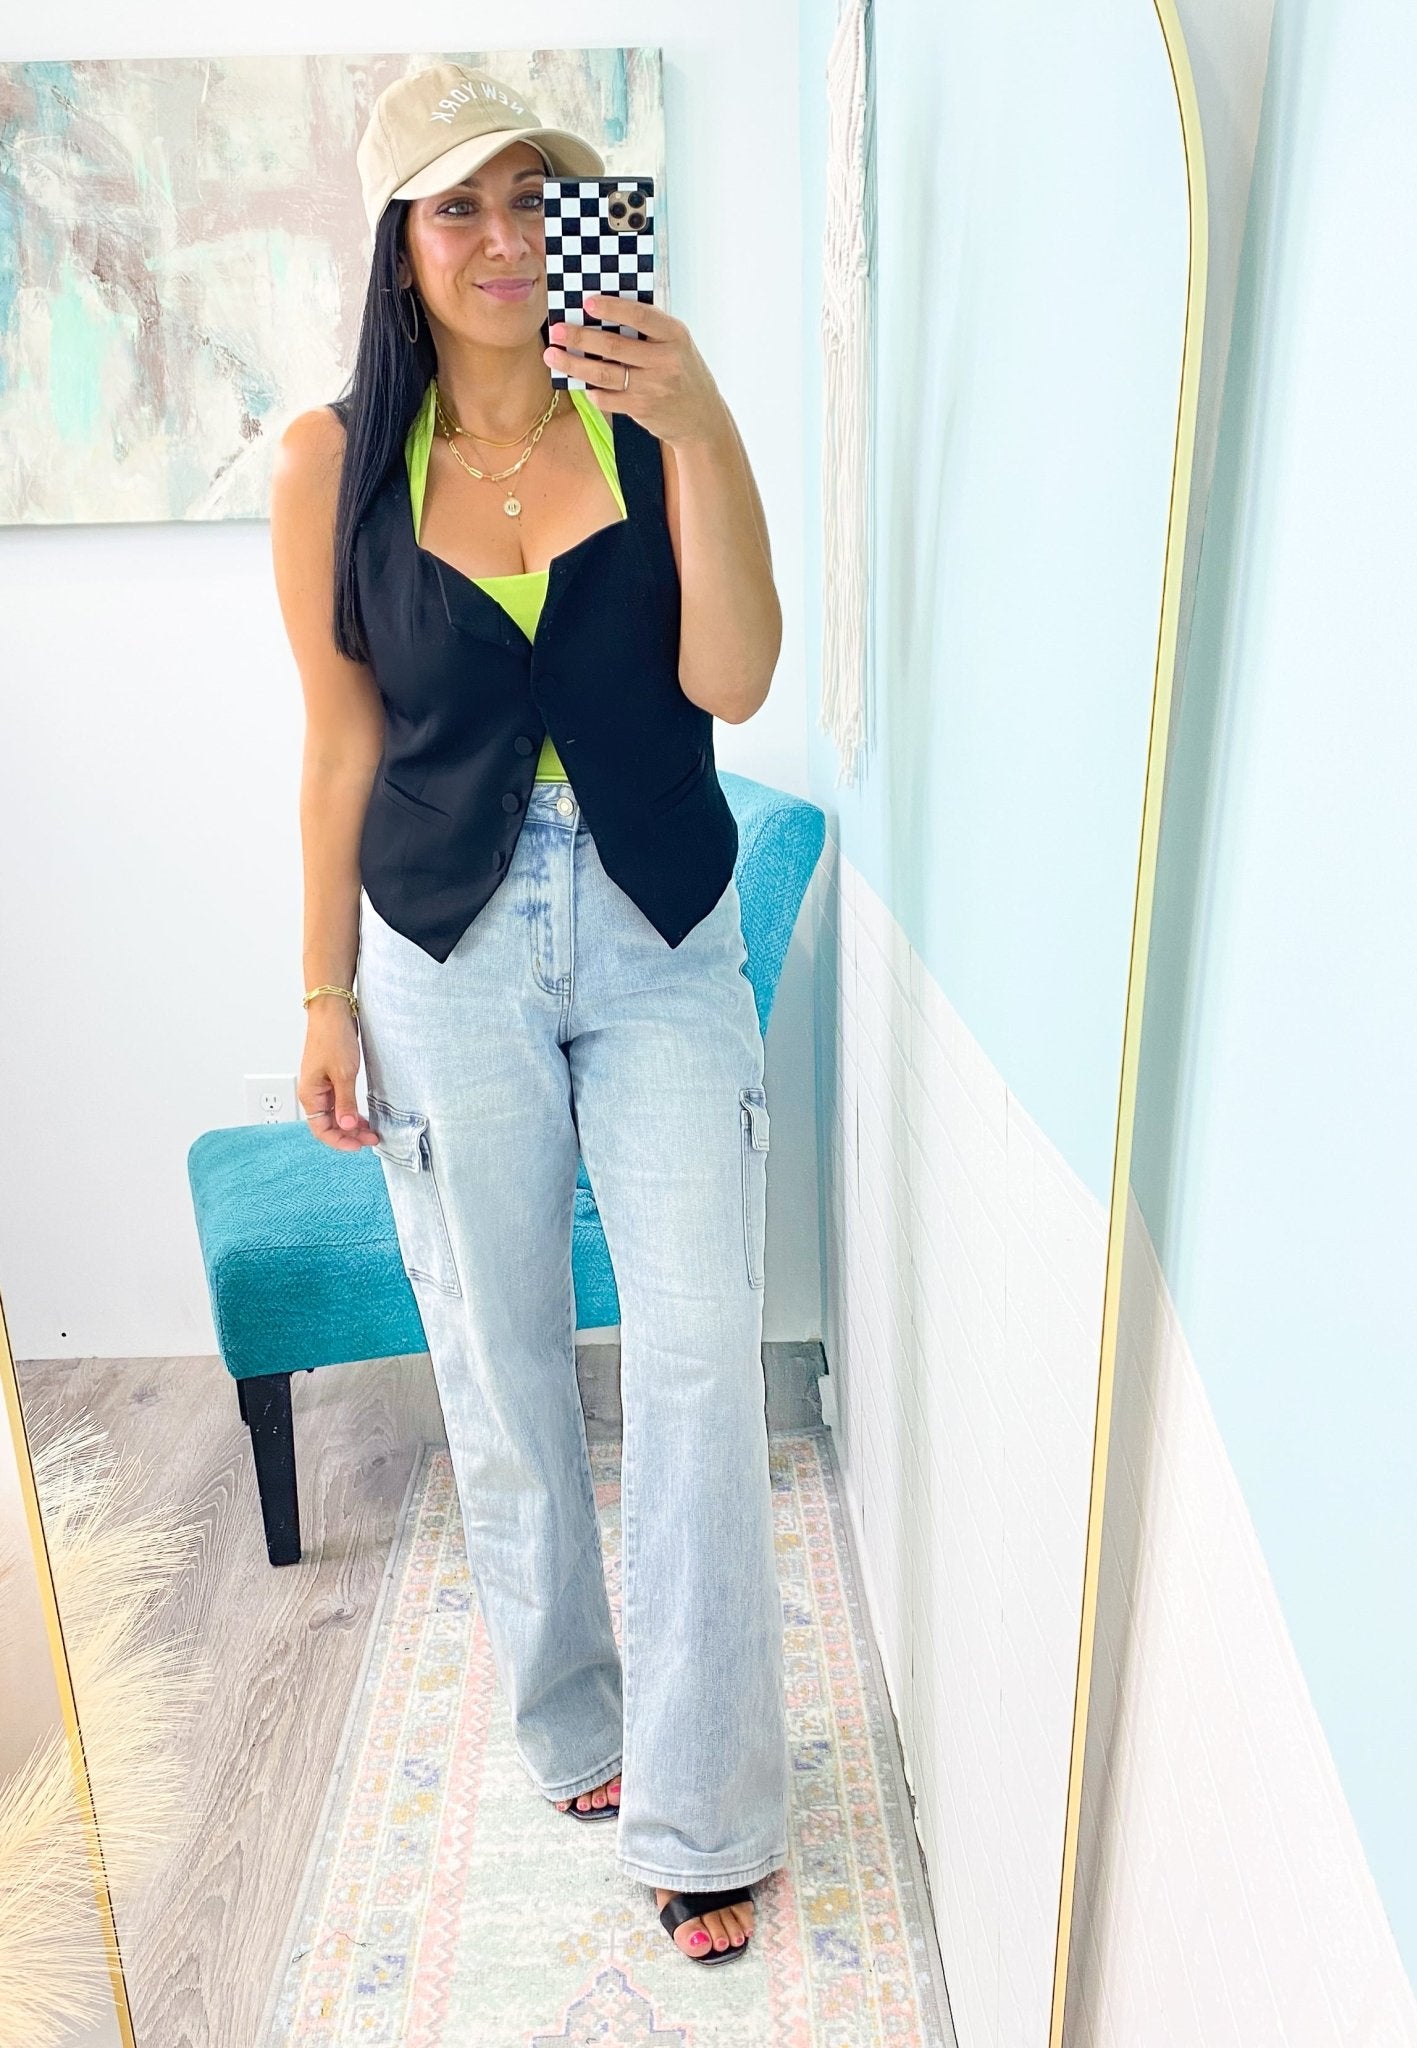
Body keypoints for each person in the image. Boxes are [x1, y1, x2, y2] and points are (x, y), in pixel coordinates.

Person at [268, 62, 790, 1968]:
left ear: (581, 218)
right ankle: (574, 1713)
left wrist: (705, 429)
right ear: (401, 244)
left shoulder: (651, 422)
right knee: (498, 1351)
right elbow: (339, 747)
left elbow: (734, 680)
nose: (501, 238)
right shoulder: (330, 464)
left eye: (530, 197)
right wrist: (322, 992)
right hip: (441, 944)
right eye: (457, 206)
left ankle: (705, 1807)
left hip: (660, 929)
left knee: (696, 1350)